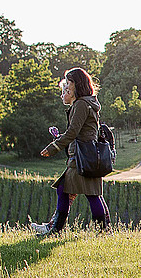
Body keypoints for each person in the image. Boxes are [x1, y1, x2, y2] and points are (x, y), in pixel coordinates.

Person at [31, 68, 110, 236]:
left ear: (77, 84)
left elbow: (73, 132)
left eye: (69, 83)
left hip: (82, 156)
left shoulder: (81, 104)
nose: (67, 86)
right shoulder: (87, 103)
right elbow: (78, 132)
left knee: (85, 193)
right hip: (87, 155)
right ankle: (102, 230)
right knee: (81, 192)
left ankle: (58, 230)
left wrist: (53, 147)